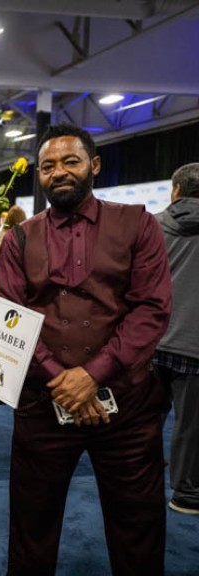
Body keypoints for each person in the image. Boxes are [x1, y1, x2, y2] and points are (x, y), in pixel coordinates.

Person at [0, 123, 172, 575]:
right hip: (43, 404)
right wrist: (63, 381)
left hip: (127, 405)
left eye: (70, 161)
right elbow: (10, 314)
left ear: (94, 166)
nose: (59, 172)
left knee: (138, 528)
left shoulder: (138, 224)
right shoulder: (19, 237)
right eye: (48, 166)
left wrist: (93, 375)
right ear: (39, 176)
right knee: (31, 529)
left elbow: (152, 309)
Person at [154, 162, 199, 515]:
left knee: (145, 420)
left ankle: (142, 480)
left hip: (152, 340)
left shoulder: (152, 226)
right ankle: (185, 494)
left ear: (176, 191)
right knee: (190, 426)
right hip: (194, 343)